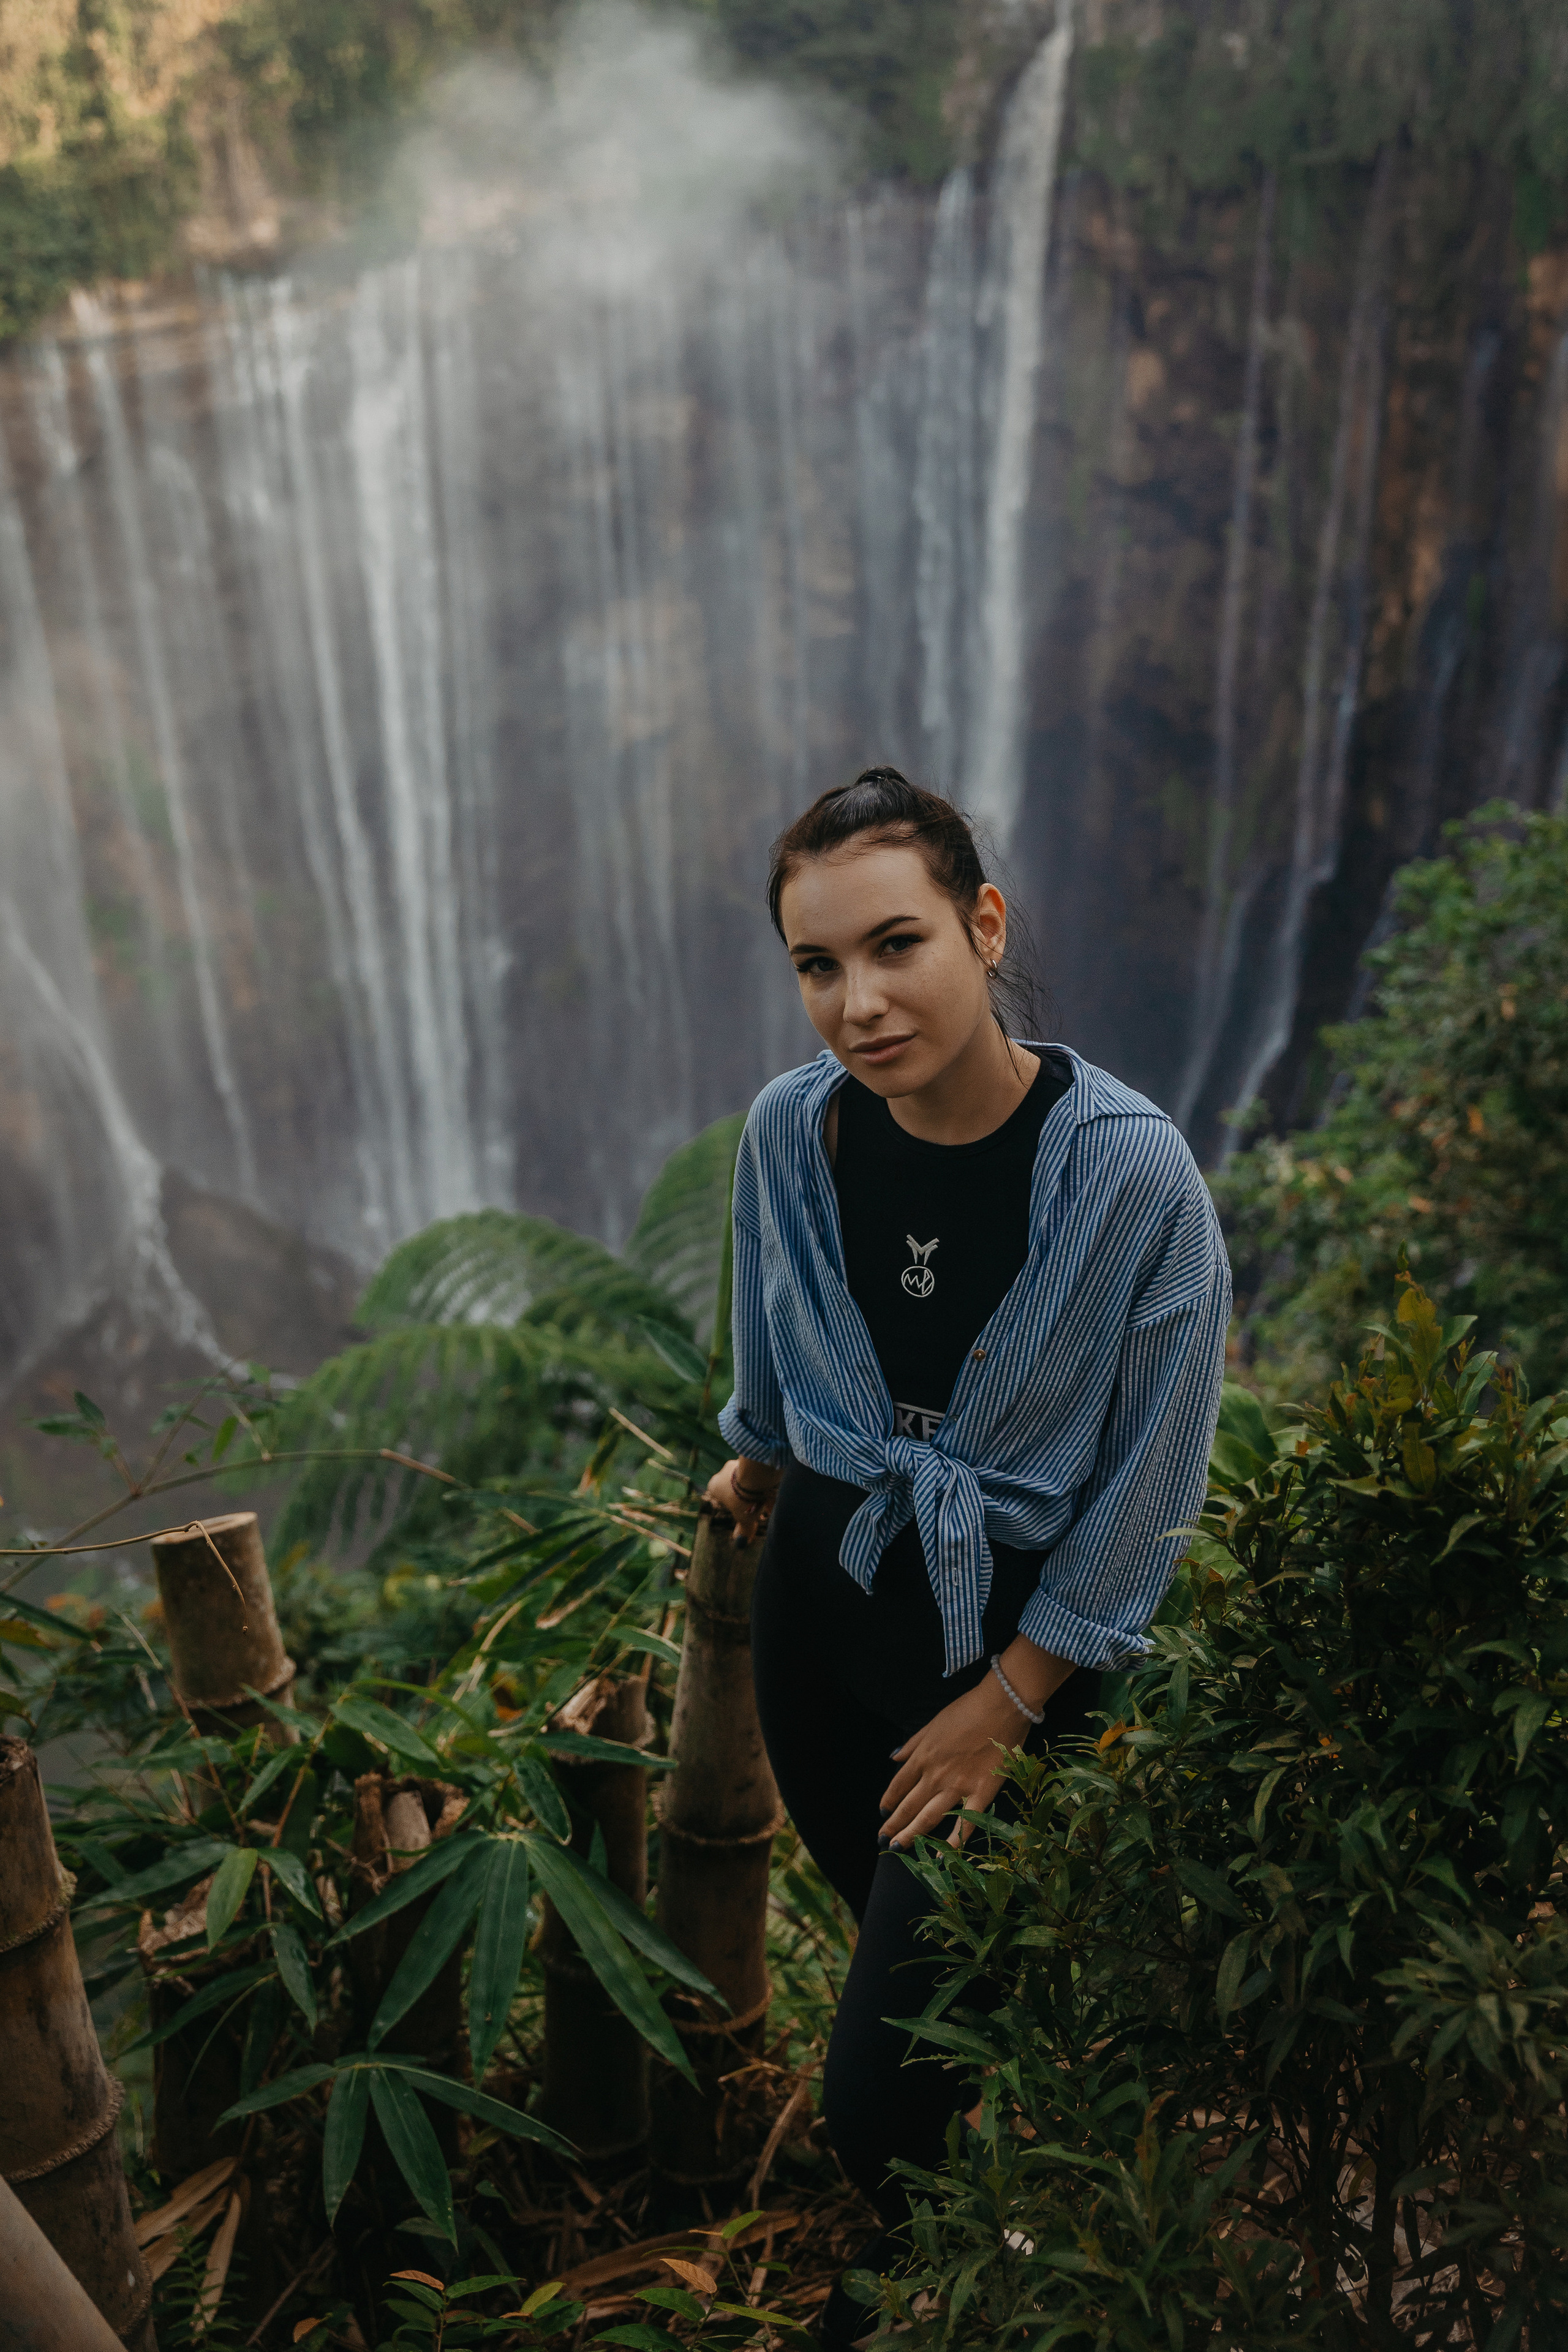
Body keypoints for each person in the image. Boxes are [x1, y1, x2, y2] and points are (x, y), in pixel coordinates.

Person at [706, 768, 1231, 2346]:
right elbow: (772, 1376)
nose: (857, 1004)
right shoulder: (789, 1134)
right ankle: (990, 2266)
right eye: (816, 966)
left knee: (875, 2089)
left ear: (984, 926)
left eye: (896, 944)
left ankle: (972, 2284)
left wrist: (1008, 1700)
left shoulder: (1135, 1175)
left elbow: (1152, 1490)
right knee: (943, 2025)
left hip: (1015, 1667)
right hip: (821, 1632)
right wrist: (751, 1459)